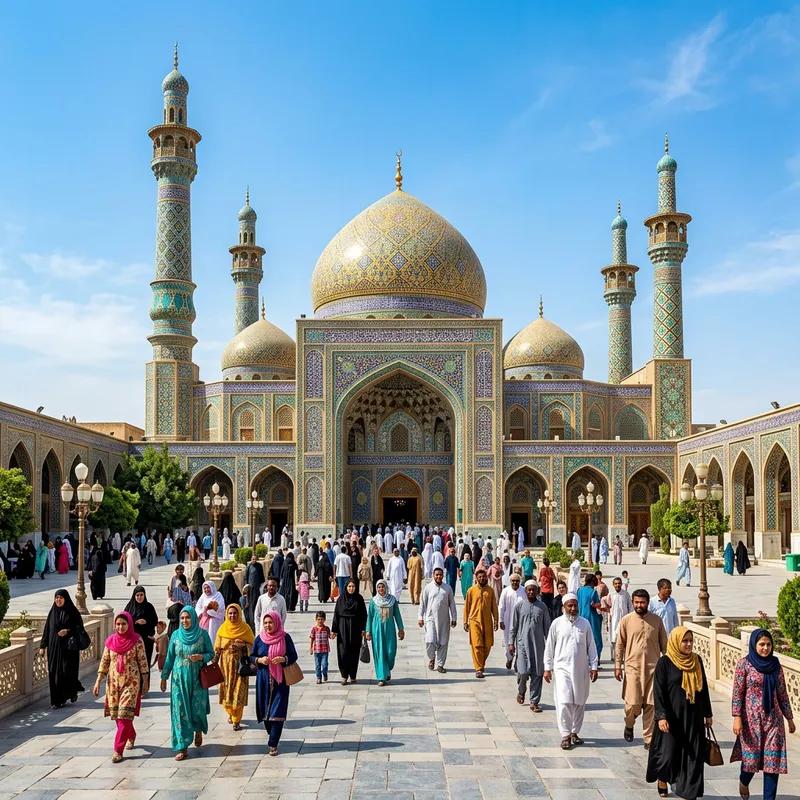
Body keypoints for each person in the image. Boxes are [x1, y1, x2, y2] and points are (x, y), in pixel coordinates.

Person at [646, 626, 713, 799]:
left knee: (694, 755)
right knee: (668, 754)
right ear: (676, 642)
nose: (689, 644)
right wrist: (661, 716)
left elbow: (703, 688)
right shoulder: (665, 663)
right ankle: (663, 778)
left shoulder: (696, 660)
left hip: (694, 716)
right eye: (685, 641)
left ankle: (690, 791)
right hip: (672, 717)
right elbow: (659, 691)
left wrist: (708, 714)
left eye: (691, 641)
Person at [732, 629, 795, 800]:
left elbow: (782, 693)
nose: (765, 648)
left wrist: (789, 718)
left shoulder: (776, 666)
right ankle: (744, 781)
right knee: (750, 761)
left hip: (774, 721)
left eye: (768, 644)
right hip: (750, 721)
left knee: (772, 763)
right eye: (761, 644)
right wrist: (737, 718)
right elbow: (738, 693)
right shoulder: (744, 664)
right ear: (754, 645)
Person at [543, 593, 599, 750]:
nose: (573, 608)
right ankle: (565, 734)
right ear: (563, 608)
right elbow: (549, 647)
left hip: (581, 669)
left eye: (575, 606)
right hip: (562, 669)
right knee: (565, 701)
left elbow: (591, 647)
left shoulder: (585, 624)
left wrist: (594, 667)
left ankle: (575, 731)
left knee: (580, 701)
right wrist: (547, 668)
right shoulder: (557, 624)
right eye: (570, 606)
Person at [615, 588, 667, 749]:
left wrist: (669, 667)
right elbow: (620, 644)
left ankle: (649, 739)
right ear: (632, 603)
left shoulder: (657, 621)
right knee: (632, 704)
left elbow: (665, 645)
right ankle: (629, 724)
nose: (639, 605)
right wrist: (618, 665)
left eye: (642, 602)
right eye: (636, 602)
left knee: (651, 705)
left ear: (647, 603)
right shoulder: (626, 620)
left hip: (653, 670)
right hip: (633, 669)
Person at [93, 611, 149, 762]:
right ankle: (131, 734)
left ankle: (118, 750)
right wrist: (98, 681)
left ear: (129, 624)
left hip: (132, 682)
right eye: (118, 624)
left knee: (124, 715)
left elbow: (143, 662)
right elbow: (105, 662)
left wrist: (146, 681)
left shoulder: (137, 640)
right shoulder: (110, 641)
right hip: (113, 683)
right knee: (119, 716)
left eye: (124, 624)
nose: (120, 627)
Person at [160, 606, 215, 760]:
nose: (185, 621)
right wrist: (164, 677)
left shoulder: (202, 635)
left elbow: (211, 653)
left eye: (188, 617)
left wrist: (201, 657)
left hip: (197, 678)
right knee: (179, 711)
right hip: (178, 679)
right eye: (182, 618)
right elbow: (170, 657)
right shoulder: (176, 635)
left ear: (193, 618)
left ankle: (198, 730)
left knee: (197, 707)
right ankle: (182, 746)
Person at [252, 610, 298, 756]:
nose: (268, 625)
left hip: (281, 681)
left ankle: (273, 743)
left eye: (270, 622)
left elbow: (293, 655)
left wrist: (283, 659)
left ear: (277, 622)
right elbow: (252, 656)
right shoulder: (259, 639)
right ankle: (272, 734)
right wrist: (259, 660)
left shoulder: (285, 638)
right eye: (265, 623)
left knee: (277, 712)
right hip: (263, 680)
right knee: (265, 714)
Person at [40, 590, 86, 709]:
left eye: (60, 598)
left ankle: (70, 693)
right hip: (54, 649)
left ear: (66, 599)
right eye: (56, 598)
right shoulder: (53, 612)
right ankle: (56, 700)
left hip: (68, 650)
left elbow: (79, 627)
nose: (58, 600)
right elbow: (47, 630)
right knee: (53, 673)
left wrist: (68, 631)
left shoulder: (72, 611)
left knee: (66, 673)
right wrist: (42, 646)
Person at [509, 580, 551, 712]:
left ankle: (534, 701)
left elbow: (547, 628)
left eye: (534, 590)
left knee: (537, 673)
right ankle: (521, 691)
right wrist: (511, 643)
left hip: (538, 646)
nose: (531, 592)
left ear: (537, 591)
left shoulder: (542, 607)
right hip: (522, 644)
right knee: (522, 672)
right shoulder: (519, 606)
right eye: (529, 590)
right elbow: (513, 626)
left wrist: (550, 647)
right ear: (525, 591)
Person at [365, 579, 405, 686]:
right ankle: (381, 677)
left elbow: (397, 615)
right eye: (378, 587)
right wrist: (368, 631)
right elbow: (370, 616)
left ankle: (388, 669)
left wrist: (401, 629)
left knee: (390, 651)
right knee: (380, 652)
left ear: (386, 588)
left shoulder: (392, 600)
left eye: (382, 587)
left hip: (390, 629)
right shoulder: (373, 601)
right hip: (377, 630)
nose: (380, 589)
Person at [418, 567, 457, 673]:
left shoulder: (447, 588)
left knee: (443, 642)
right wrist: (420, 617)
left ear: (443, 576)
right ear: (433, 575)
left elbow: (452, 604)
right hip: (430, 619)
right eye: (437, 575)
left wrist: (454, 617)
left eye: (440, 575)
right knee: (430, 640)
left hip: (444, 620)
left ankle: (440, 665)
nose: (439, 576)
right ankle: (431, 658)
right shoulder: (428, 588)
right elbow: (422, 603)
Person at [464, 568, 499, 679]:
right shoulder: (471, 590)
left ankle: (481, 662)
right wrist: (465, 621)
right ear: (476, 578)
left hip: (487, 620)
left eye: (483, 577)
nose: (482, 578)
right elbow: (467, 607)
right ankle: (479, 668)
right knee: (477, 644)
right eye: (479, 577)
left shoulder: (490, 590)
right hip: (474, 621)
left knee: (488, 644)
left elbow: (494, 606)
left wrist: (496, 620)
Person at [332, 578, 368, 685]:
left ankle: (353, 675)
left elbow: (364, 615)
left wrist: (364, 629)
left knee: (354, 652)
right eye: (349, 586)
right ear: (346, 587)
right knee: (343, 652)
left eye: (353, 586)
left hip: (356, 628)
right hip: (343, 628)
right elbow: (336, 615)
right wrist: (334, 630)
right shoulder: (341, 599)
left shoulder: (359, 599)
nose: (351, 589)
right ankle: (344, 675)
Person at [124, 586, 159, 668]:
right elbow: (124, 621)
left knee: (145, 665)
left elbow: (155, 621)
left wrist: (146, 622)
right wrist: (135, 622)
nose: (139, 597)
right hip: (132, 641)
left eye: (141, 595)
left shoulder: (149, 607)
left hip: (146, 640)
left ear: (144, 595)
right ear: (134, 596)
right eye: (137, 595)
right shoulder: (129, 608)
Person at [499, 574, 525, 669]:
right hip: (508, 620)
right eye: (513, 580)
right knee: (507, 640)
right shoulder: (506, 591)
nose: (515, 582)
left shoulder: (524, 591)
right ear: (510, 581)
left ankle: (519, 661)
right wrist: (501, 620)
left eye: (517, 581)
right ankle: (509, 658)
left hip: (521, 621)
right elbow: (501, 606)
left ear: (520, 581)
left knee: (520, 641)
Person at [604, 576, 633, 662]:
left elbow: (630, 607)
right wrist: (607, 622)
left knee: (624, 639)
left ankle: (624, 657)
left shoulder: (626, 594)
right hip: (613, 621)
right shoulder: (611, 595)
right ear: (613, 584)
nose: (617, 585)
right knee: (613, 639)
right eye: (616, 583)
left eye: (619, 583)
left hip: (624, 621)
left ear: (621, 584)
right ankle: (614, 657)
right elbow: (608, 609)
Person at [577, 574, 603, 662]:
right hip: (592, 618)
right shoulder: (593, 592)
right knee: (596, 640)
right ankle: (595, 660)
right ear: (592, 581)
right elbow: (597, 604)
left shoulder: (580, 590)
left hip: (580, 617)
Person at [309, 611, 333, 684]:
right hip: (317, 650)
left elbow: (330, 636)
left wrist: (333, 635)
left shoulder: (326, 629)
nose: (320, 621)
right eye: (318, 619)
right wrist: (310, 648)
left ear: (324, 620)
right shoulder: (314, 629)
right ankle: (319, 678)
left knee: (325, 664)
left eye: (322, 619)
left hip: (325, 650)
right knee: (317, 665)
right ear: (316, 619)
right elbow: (312, 638)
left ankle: (325, 674)